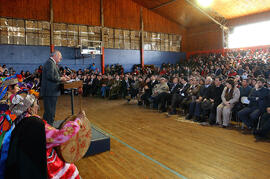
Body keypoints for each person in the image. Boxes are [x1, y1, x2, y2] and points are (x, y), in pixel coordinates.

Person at [40, 50, 68, 125]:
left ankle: (46, 128)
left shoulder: (52, 63)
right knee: (50, 112)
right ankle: (49, 129)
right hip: (50, 92)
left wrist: (62, 77)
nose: (61, 58)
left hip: (51, 91)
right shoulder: (50, 63)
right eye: (60, 56)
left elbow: (54, 75)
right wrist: (61, 79)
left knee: (49, 112)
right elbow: (51, 76)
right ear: (54, 56)